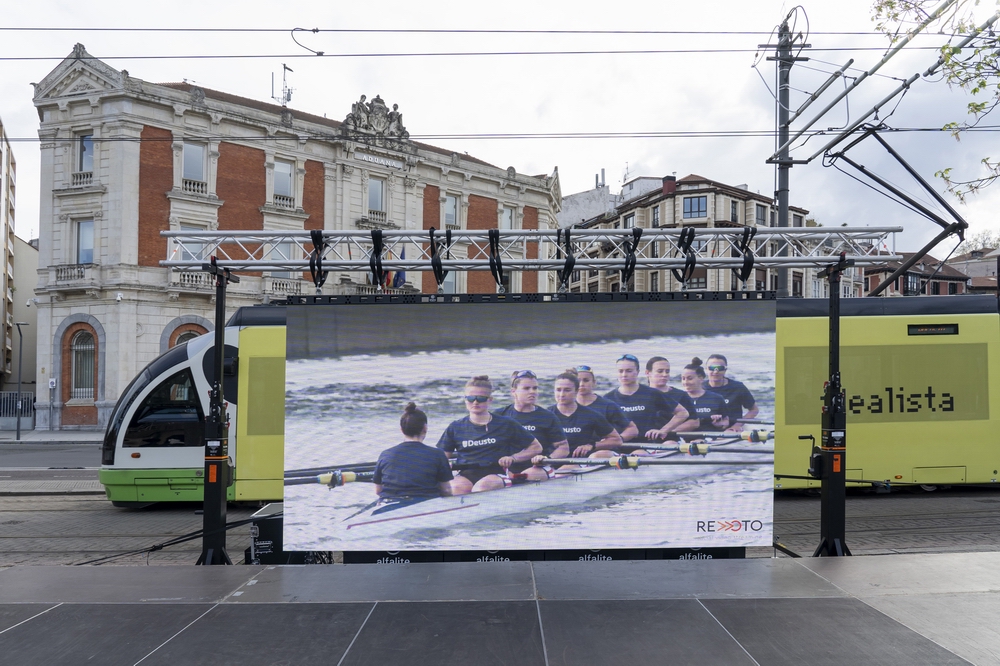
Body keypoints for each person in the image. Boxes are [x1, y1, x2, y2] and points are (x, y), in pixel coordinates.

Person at [437, 375, 542, 495]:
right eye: (470, 398)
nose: (475, 402)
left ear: (490, 400)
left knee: (481, 488)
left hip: (497, 473)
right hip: (466, 473)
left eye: (481, 398)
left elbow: (536, 447)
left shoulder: (506, 423)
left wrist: (513, 458)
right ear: (465, 399)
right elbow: (441, 457)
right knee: (454, 488)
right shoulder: (455, 427)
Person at [495, 370, 569, 481]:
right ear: (513, 392)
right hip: (507, 467)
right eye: (526, 388)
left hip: (537, 467)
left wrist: (547, 459)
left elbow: (563, 448)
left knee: (528, 475)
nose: (532, 392)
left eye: (535, 388)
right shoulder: (500, 415)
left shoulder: (547, 417)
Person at [373, 402, 453, 501]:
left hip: (390, 503)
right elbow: (446, 490)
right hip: (426, 503)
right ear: (425, 428)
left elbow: (378, 490)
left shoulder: (385, 454)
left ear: (401, 429)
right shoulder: (437, 454)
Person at [604, 353, 691, 441]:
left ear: (637, 372)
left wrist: (663, 430)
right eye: (620, 371)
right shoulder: (608, 398)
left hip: (648, 444)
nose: (624, 375)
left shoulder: (652, 393)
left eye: (629, 371)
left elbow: (682, 413)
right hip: (620, 444)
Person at [547, 371, 622, 458]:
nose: (562, 394)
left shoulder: (591, 415)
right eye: (558, 390)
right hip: (552, 460)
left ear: (576, 391)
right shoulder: (545, 415)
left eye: (567, 390)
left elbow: (616, 440)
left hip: (581, 461)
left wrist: (592, 445)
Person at [573, 365, 638, 442]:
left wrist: (618, 439)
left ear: (594, 383)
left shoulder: (608, 406)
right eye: (578, 381)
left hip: (602, 448)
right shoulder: (566, 406)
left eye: (586, 380)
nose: (581, 384)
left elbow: (632, 429)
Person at [704, 354, 759, 431]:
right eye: (712, 368)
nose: (716, 371)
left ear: (725, 370)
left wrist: (737, 425)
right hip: (706, 429)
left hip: (732, 430)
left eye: (720, 368)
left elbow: (754, 410)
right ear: (706, 369)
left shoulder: (738, 387)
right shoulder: (699, 388)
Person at [645, 356, 699, 432]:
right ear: (648, 373)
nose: (664, 374)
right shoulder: (641, 394)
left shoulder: (680, 395)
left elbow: (694, 422)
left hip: (670, 436)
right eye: (660, 371)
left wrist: (667, 431)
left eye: (667, 371)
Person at [680, 358, 729, 432]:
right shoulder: (677, 398)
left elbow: (726, 421)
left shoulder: (716, 398)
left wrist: (720, 425)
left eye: (690, 379)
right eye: (683, 379)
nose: (685, 382)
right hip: (683, 436)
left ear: (701, 379)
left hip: (709, 436)